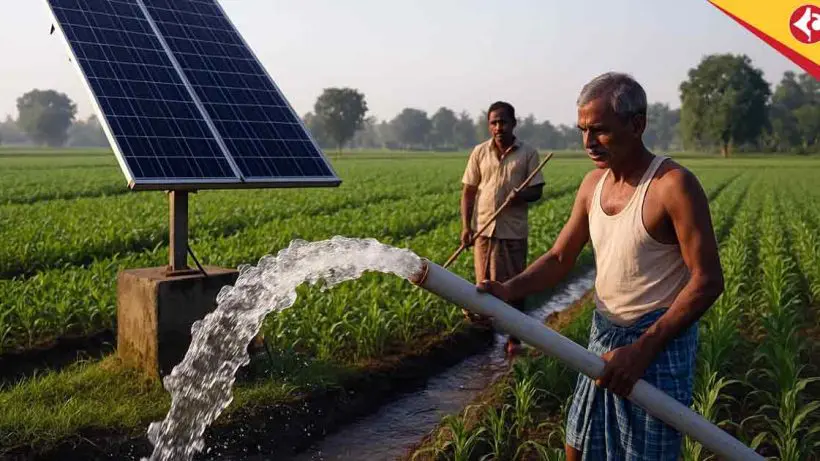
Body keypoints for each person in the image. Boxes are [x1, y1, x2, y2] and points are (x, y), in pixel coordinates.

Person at [476, 73, 724, 460]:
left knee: (644, 453)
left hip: (656, 347)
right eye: (583, 131)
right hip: (603, 340)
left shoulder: (672, 186)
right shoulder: (593, 184)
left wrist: (643, 349)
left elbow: (707, 281)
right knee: (579, 445)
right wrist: (508, 290)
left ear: (637, 124)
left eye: (600, 131)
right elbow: (560, 257)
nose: (589, 142)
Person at [460, 101, 546, 355]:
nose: (498, 127)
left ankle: (514, 338)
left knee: (514, 286)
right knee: (483, 284)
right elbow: (469, 191)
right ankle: (484, 335)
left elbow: (537, 191)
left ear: (513, 123)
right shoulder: (479, 152)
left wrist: (521, 195)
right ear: (489, 125)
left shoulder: (528, 153)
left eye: (503, 122)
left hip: (512, 232)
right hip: (484, 230)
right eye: (494, 122)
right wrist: (466, 227)